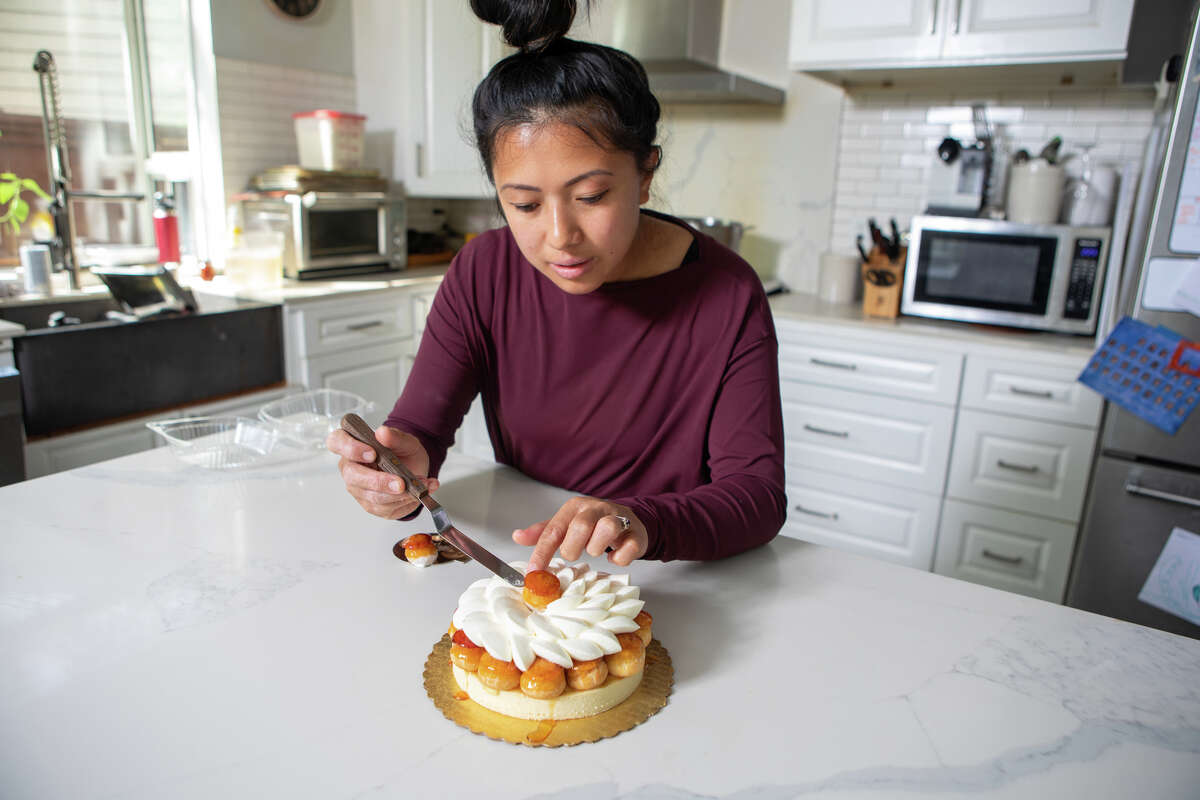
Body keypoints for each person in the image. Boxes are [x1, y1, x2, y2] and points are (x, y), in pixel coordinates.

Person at [327, 0, 785, 572]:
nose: (560, 236)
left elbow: (758, 498)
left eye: (591, 196)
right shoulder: (483, 271)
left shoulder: (727, 292)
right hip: (527, 562)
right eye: (523, 204)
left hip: (668, 573)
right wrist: (396, 476)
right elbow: (419, 431)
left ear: (646, 174)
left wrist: (642, 520)